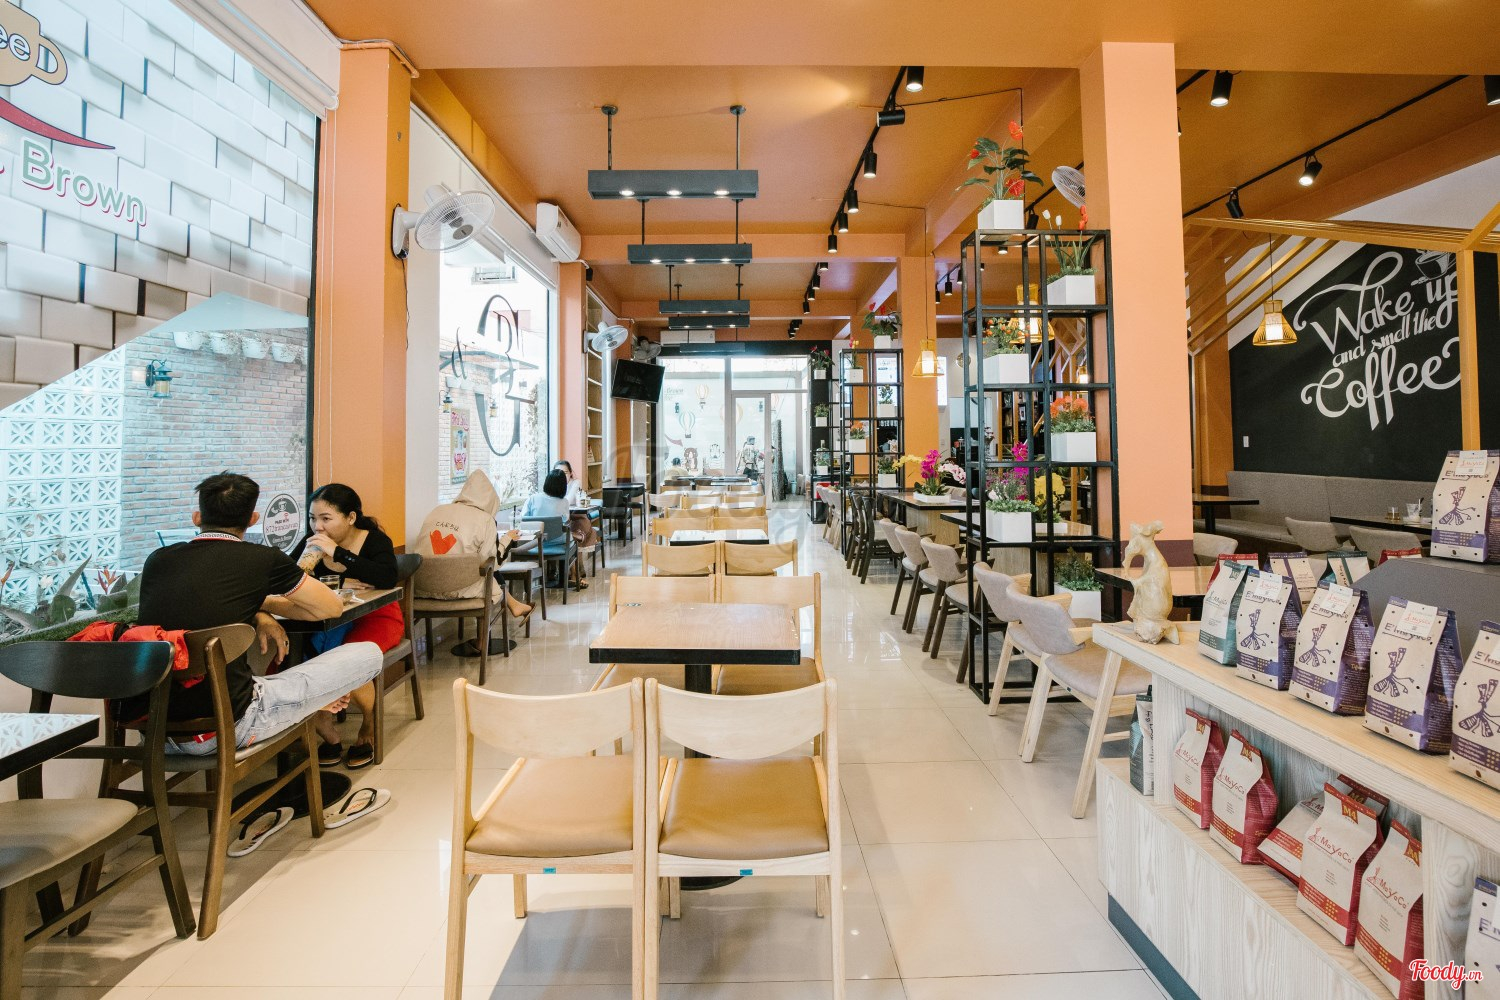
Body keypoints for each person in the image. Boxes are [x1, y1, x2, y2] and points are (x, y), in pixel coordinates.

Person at [131, 473, 384, 793]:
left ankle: (324, 713)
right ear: (252, 519)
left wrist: (257, 608)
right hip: (230, 726)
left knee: (278, 675)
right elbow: (332, 607)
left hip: (155, 732)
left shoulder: (157, 560)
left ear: (197, 518)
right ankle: (323, 704)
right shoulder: (261, 559)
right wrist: (259, 601)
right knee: (366, 653)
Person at [287, 483, 399, 769]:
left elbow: (387, 577)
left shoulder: (374, 540)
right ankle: (329, 734)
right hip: (325, 621)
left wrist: (338, 553)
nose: (318, 526)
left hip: (375, 615)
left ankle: (369, 722)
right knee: (294, 661)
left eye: (326, 518)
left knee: (350, 657)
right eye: (313, 519)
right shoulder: (311, 542)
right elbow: (288, 577)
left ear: (350, 517)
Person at [413, 470, 533, 622]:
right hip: (462, 589)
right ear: (491, 501)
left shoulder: (436, 511)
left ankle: (515, 605)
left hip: (423, 587)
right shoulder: (485, 520)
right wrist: (507, 539)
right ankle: (508, 611)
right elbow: (492, 562)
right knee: (488, 572)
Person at [524, 469, 587, 590]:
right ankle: (573, 576)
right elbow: (566, 522)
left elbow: (524, 520)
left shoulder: (533, 498)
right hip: (557, 542)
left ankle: (555, 574)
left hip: (536, 543)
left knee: (567, 536)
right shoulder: (564, 502)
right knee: (570, 539)